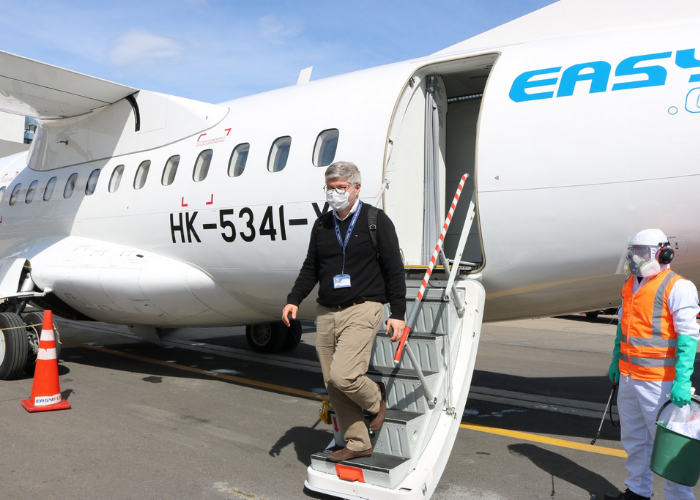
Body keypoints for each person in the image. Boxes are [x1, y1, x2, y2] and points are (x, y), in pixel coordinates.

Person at [282, 161, 406, 462]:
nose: (334, 193)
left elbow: (394, 269)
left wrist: (398, 313)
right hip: (327, 311)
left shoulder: (375, 220)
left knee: (345, 376)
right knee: (332, 384)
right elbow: (311, 267)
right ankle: (358, 442)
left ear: (356, 188)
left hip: (363, 307)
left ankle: (375, 398)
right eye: (330, 188)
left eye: (341, 188)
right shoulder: (322, 224)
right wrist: (294, 299)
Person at [604, 229, 699, 500]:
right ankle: (637, 492)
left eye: (642, 252)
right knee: (634, 440)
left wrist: (682, 379)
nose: (636, 258)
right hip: (629, 377)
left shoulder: (678, 286)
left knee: (669, 445)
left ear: (663, 254)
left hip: (660, 382)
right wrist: (616, 359)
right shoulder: (631, 284)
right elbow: (623, 325)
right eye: (633, 251)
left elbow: (689, 335)